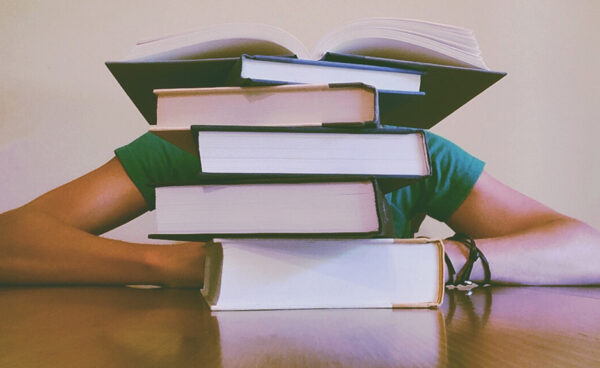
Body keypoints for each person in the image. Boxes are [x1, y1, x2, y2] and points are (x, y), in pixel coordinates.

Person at [1, 131, 599, 287]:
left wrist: (442, 261)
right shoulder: (188, 147)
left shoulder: (414, 154)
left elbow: (585, 248)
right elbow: (12, 241)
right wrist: (179, 267)